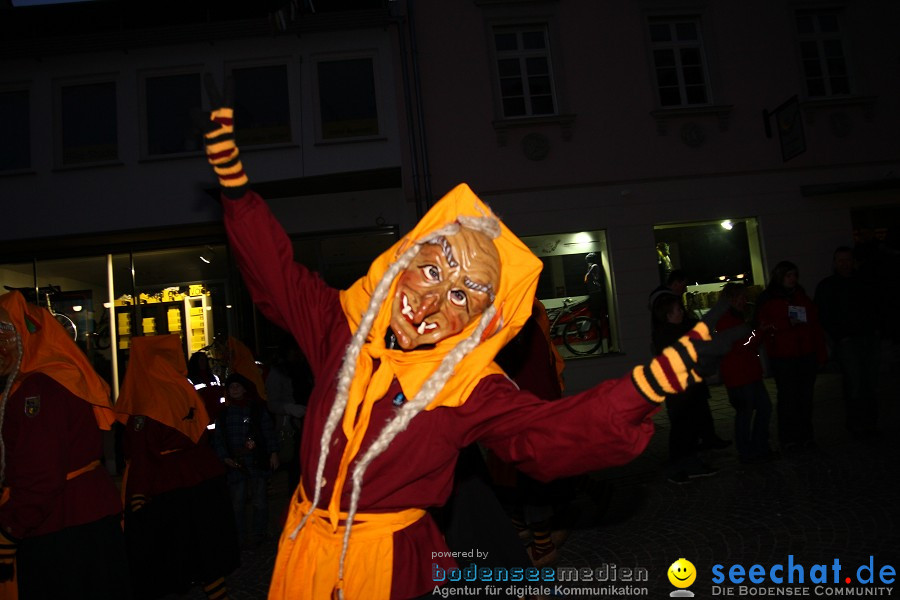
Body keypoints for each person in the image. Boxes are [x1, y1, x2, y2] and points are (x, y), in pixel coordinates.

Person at [198, 89, 745, 599]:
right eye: (432, 270)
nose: (434, 302)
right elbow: (277, 276)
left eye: (464, 297)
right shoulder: (343, 330)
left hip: (391, 568)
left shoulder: (466, 390)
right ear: (403, 262)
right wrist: (237, 193)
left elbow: (542, 435)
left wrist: (640, 389)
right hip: (306, 556)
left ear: (481, 324)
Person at [0, 290, 132, 599]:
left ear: (24, 337)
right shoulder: (52, 380)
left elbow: (41, 474)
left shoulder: (40, 389)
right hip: (83, 517)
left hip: (62, 525)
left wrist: (10, 529)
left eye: (4, 335)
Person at [117, 334, 241, 600]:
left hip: (168, 485)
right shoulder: (181, 388)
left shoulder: (148, 399)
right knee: (205, 544)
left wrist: (137, 494)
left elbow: (142, 451)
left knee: (171, 550)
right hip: (202, 476)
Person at [755, 260, 827, 451]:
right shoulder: (768, 299)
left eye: (794, 275)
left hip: (805, 354)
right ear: (780, 277)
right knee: (788, 398)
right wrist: (785, 325)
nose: (792, 279)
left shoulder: (801, 296)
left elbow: (814, 325)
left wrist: (820, 353)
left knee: (805, 398)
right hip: (784, 356)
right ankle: (789, 438)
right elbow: (761, 327)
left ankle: (805, 436)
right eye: (788, 275)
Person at [814, 247, 882, 438]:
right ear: (835, 263)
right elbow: (822, 315)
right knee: (855, 382)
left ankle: (869, 422)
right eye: (841, 260)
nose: (844, 264)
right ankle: (857, 422)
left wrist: (876, 330)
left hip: (868, 338)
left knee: (870, 382)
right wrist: (837, 337)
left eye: (847, 260)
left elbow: (877, 306)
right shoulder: (828, 286)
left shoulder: (864, 282)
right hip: (847, 341)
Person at [652, 294, 718, 484]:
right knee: (682, 430)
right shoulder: (666, 334)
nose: (681, 312)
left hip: (691, 387)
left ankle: (691, 464)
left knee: (692, 428)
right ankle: (677, 468)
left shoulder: (681, 328)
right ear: (668, 315)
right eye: (677, 310)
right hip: (680, 391)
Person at [214, 372, 279, 548]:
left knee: (259, 499)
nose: (234, 390)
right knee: (238, 502)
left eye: (237, 386)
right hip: (236, 463)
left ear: (243, 389)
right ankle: (239, 536)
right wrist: (225, 457)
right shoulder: (224, 414)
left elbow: (268, 431)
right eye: (231, 387)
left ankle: (259, 533)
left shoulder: (256, 409)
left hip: (256, 461)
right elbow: (219, 438)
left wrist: (273, 452)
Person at [716, 283, 774, 463]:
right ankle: (748, 450)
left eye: (743, 297)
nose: (743, 300)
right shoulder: (726, 320)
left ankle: (757, 446)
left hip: (748, 373)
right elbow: (741, 346)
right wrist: (758, 333)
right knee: (746, 413)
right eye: (740, 297)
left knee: (761, 408)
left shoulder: (736, 318)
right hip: (739, 375)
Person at [265, 335, 312, 491]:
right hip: (293, 426)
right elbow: (272, 403)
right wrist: (290, 408)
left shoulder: (308, 366)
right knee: (295, 466)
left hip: (309, 421)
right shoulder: (279, 372)